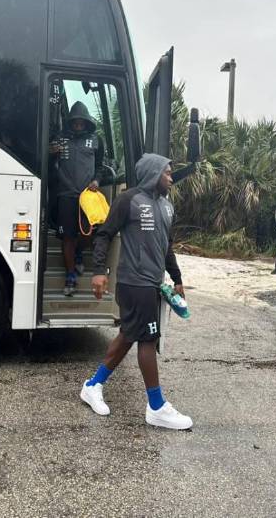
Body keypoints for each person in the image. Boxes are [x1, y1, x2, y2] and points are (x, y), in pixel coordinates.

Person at [80, 154, 192, 430]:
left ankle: (93, 386)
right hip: (133, 282)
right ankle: (156, 406)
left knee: (130, 335)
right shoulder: (128, 199)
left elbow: (166, 247)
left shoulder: (167, 207)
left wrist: (176, 277)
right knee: (147, 339)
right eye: (167, 173)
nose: (170, 178)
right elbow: (104, 234)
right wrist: (98, 271)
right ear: (153, 174)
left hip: (152, 283)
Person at [50, 101, 104, 296]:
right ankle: (70, 276)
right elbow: (47, 165)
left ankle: (79, 254)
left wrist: (97, 181)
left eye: (82, 122)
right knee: (67, 238)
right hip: (65, 195)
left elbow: (100, 167)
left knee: (88, 234)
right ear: (71, 122)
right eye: (75, 122)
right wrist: (50, 155)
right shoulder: (59, 139)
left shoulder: (96, 140)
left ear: (87, 122)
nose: (78, 125)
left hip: (87, 196)